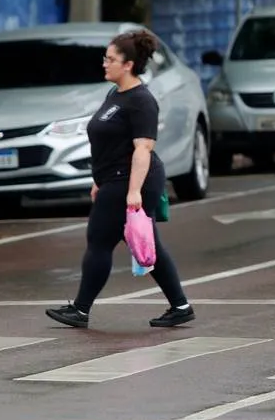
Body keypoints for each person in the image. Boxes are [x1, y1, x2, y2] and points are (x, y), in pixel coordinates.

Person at [46, 30, 194, 329]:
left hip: (130, 180)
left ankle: (81, 309)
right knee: (146, 242)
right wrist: (98, 180)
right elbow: (110, 143)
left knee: (99, 241)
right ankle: (181, 305)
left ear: (128, 65)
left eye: (111, 59)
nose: (105, 63)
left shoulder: (141, 101)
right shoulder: (116, 94)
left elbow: (143, 148)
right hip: (113, 179)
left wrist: (134, 191)